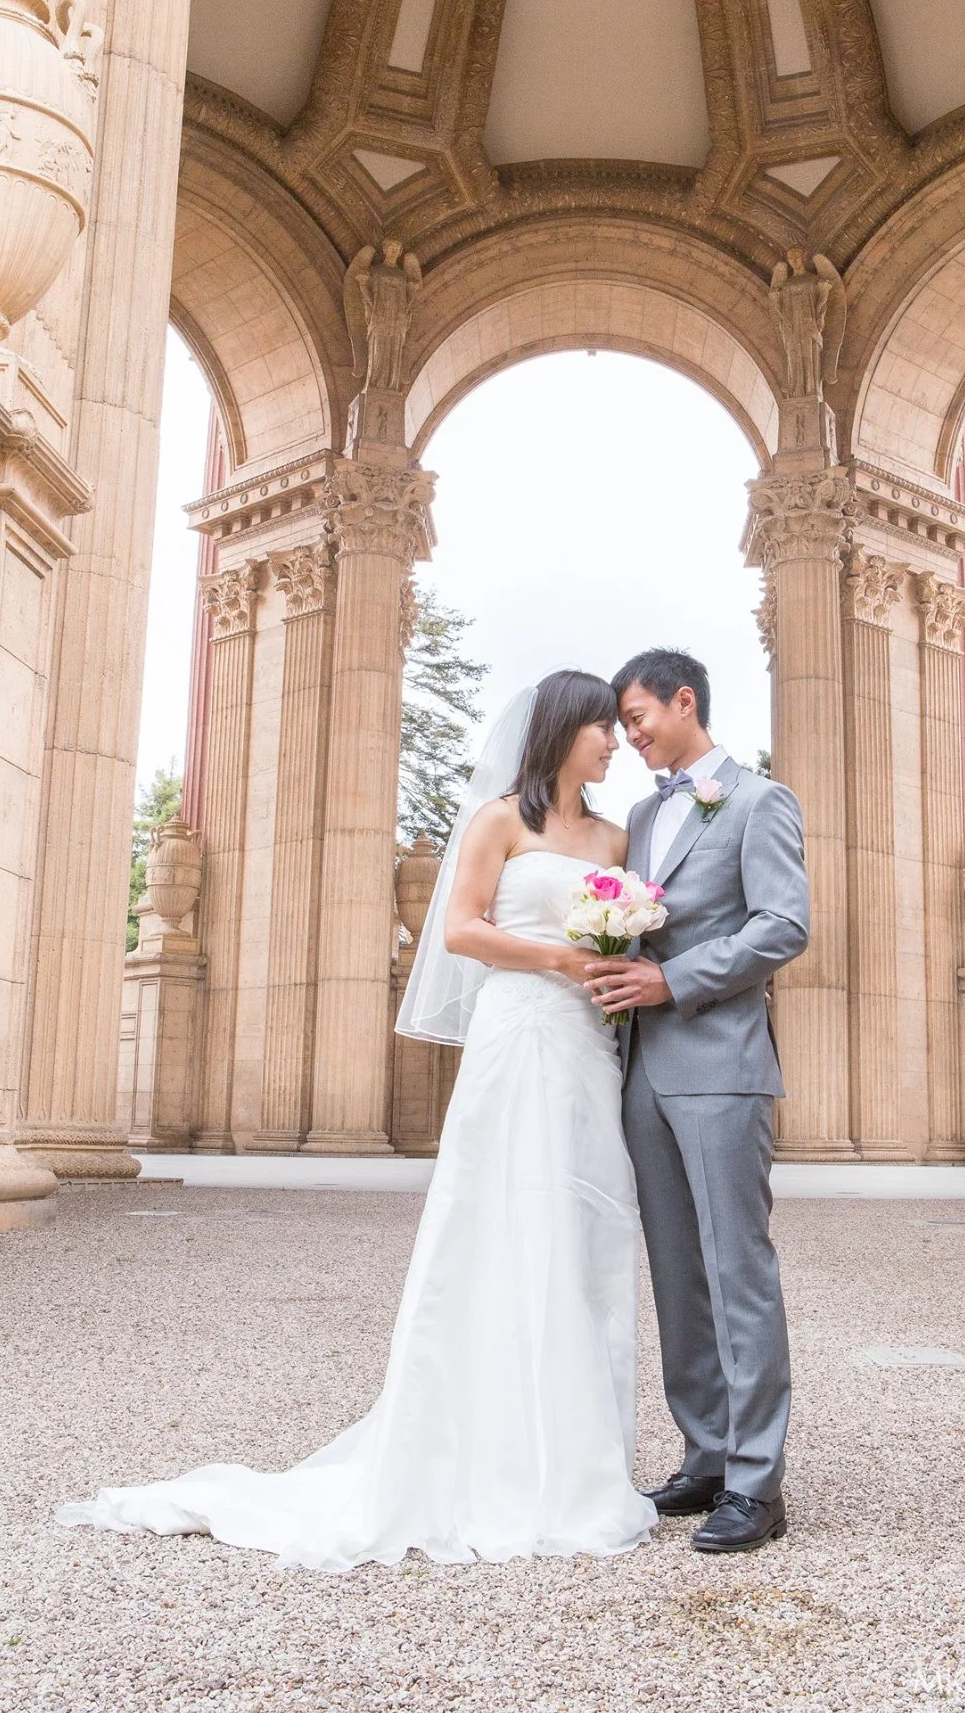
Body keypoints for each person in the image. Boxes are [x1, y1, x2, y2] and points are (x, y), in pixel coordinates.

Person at [57, 671, 657, 1569]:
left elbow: (631, 933)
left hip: (584, 1040)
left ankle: (578, 1457)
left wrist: (609, 958)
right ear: (563, 729)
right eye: (603, 727)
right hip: (519, 1028)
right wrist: (560, 959)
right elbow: (459, 930)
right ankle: (484, 1451)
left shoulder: (614, 836)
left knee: (586, 1221)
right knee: (501, 1215)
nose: (614, 743)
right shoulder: (500, 820)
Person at [585, 649, 809, 1555]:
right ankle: (706, 1456)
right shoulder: (642, 816)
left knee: (735, 1269)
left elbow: (782, 924)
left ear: (685, 702)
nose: (630, 736)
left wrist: (671, 980)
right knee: (677, 1273)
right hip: (642, 1071)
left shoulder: (760, 801)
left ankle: (756, 1483)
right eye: (622, 725)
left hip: (719, 1064)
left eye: (638, 718)